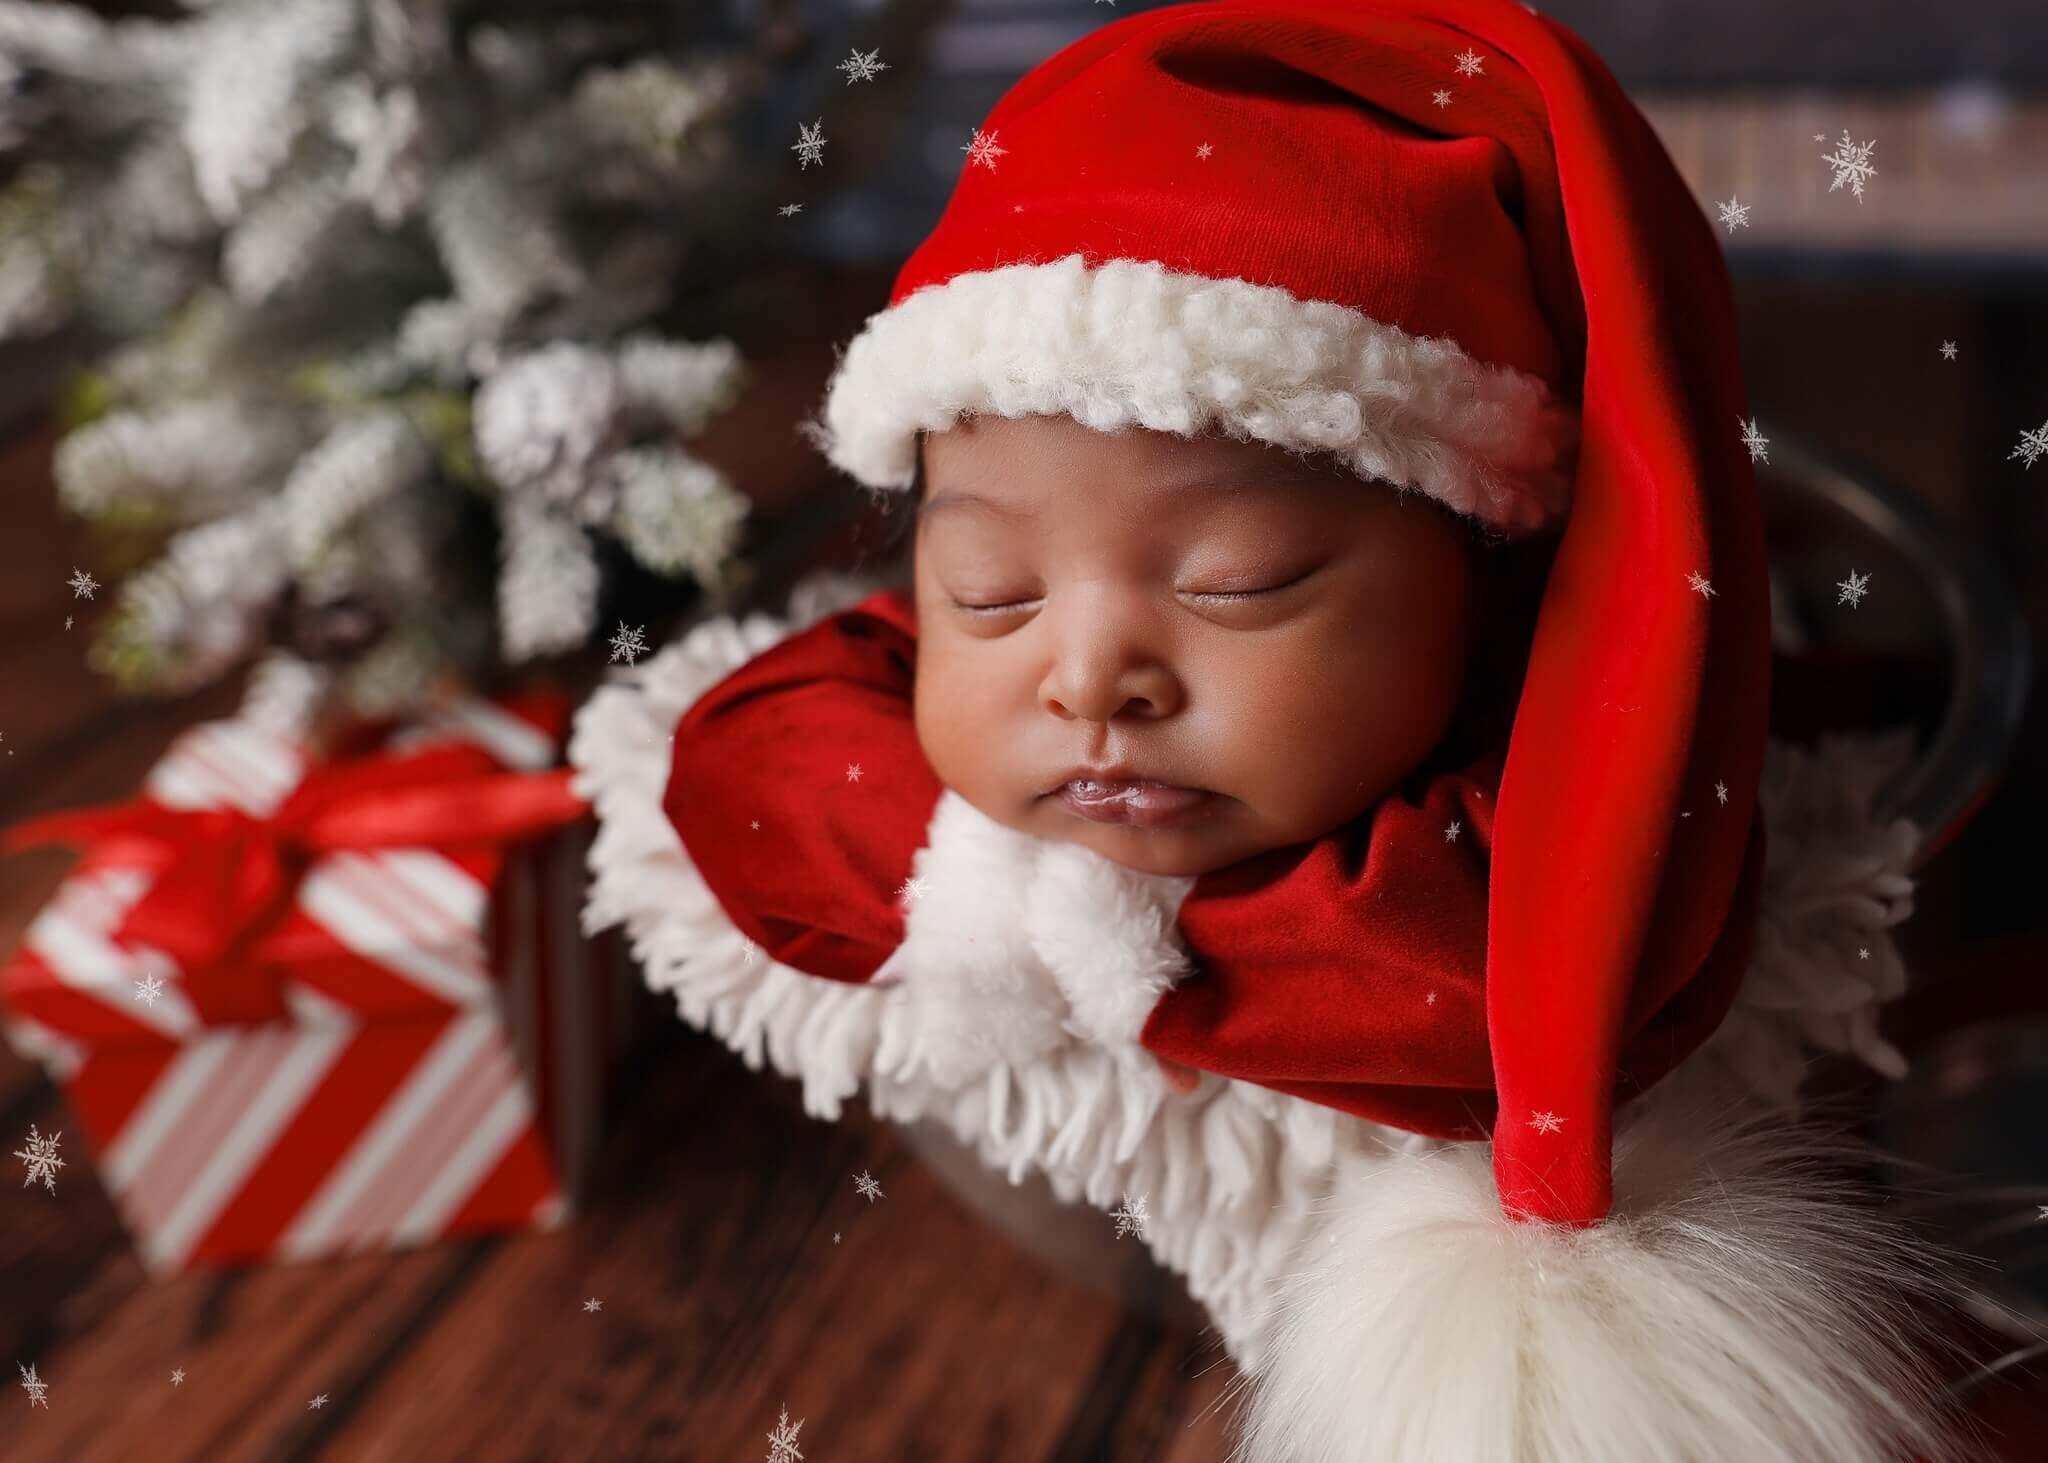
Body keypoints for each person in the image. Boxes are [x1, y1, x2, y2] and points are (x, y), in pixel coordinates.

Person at [571, 3, 1982, 1458]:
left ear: (1484, 577)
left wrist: (1142, 941)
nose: (1087, 677)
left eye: (1235, 584)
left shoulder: (1538, 779)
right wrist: (1026, 890)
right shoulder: (954, 663)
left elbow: (1467, 982)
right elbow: (741, 762)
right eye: (989, 592)